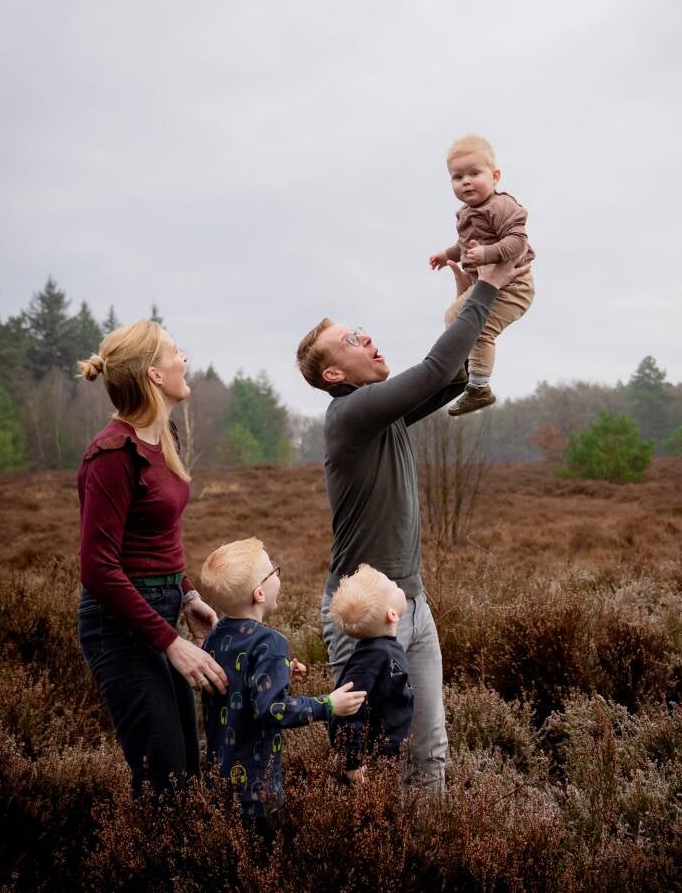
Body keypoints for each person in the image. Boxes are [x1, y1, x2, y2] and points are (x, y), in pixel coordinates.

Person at [296, 253, 527, 788]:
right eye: (351, 340)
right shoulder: (351, 414)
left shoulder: (383, 412)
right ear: (333, 374)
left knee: (430, 755)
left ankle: (427, 844)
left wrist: (468, 293)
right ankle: (360, 841)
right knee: (368, 766)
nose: (367, 338)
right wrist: (489, 288)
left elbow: (454, 376)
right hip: (361, 615)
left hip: (411, 605)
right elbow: (434, 371)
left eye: (360, 330)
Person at [77, 320, 227, 796]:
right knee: (166, 780)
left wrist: (188, 595)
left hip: (160, 612)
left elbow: (159, 535)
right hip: (119, 628)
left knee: (187, 769)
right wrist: (171, 642)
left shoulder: (165, 439)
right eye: (175, 352)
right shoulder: (111, 453)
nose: (184, 359)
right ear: (154, 375)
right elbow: (98, 569)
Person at [199, 538, 366, 825]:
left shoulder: (215, 637)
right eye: (273, 570)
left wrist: (277, 676)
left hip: (218, 786)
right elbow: (274, 710)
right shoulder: (271, 642)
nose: (278, 574)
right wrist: (328, 704)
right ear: (259, 593)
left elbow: (236, 687)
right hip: (257, 793)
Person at [429, 134, 536, 415]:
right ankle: (460, 369)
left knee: (481, 330)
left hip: (514, 286)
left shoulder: (501, 206)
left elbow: (518, 241)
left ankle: (479, 388)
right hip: (485, 285)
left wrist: (487, 254)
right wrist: (447, 254)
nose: (465, 181)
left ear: (495, 176)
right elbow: (465, 246)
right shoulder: (467, 212)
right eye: (457, 177)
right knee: (453, 318)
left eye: (474, 173)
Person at [327, 564, 414, 782]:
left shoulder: (384, 649)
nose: (396, 583)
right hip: (372, 762)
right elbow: (348, 708)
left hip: (390, 754)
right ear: (392, 614)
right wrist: (353, 763)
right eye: (392, 585)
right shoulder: (371, 658)